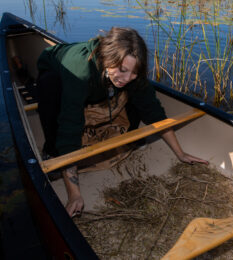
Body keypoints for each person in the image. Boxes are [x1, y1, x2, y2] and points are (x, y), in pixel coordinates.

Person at [37, 27, 208, 217]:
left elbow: (154, 112)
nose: (127, 78)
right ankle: (51, 150)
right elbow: (70, 127)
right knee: (50, 87)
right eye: (123, 70)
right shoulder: (80, 71)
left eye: (133, 73)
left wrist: (180, 153)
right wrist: (74, 195)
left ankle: (129, 138)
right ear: (106, 57)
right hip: (56, 74)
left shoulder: (129, 75)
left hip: (99, 78)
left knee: (137, 93)